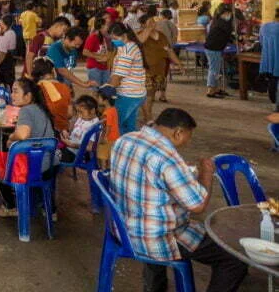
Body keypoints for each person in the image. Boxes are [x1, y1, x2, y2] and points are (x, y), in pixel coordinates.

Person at [111, 108, 248, 292]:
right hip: (155, 237)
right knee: (235, 259)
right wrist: (206, 174)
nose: (187, 142)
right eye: (188, 137)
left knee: (158, 209)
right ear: (178, 132)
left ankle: (154, 287)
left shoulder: (125, 139)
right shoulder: (166, 157)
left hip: (122, 227)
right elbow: (198, 205)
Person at [0, 77, 58, 218]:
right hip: (50, 165)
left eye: (16, 91)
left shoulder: (26, 111)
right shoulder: (41, 109)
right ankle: (50, 210)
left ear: (28, 96)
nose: (12, 95)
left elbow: (22, 134)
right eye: (12, 91)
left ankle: (12, 206)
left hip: (34, 168)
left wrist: (11, 138)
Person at [106, 22, 147, 135]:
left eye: (115, 38)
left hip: (128, 94)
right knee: (128, 126)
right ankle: (129, 147)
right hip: (134, 93)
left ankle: (117, 148)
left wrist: (106, 92)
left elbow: (118, 77)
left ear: (124, 35)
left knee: (114, 124)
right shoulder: (127, 46)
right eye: (112, 39)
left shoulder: (127, 51)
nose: (114, 41)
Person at [138, 14, 183, 117]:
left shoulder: (161, 35)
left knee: (152, 95)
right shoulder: (140, 34)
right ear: (143, 25)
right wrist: (148, 30)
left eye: (153, 21)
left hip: (159, 70)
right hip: (146, 70)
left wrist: (179, 63)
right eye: (150, 22)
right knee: (148, 95)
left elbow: (169, 51)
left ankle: (147, 115)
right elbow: (140, 41)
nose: (153, 24)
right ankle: (148, 117)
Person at [29, 57, 73, 134]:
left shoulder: (35, 88)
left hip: (41, 134)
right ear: (53, 71)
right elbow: (69, 114)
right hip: (63, 133)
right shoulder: (65, 87)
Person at [203, 3, 234, 98]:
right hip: (213, 48)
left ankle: (215, 88)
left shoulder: (218, 21)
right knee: (214, 70)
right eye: (226, 13)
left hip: (214, 47)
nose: (228, 15)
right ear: (221, 13)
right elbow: (230, 33)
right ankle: (210, 90)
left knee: (215, 69)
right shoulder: (222, 23)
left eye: (229, 13)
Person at [59, 95, 100, 163]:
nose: (79, 115)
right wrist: (66, 133)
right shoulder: (83, 118)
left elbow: (90, 147)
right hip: (69, 148)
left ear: (92, 111)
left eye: (81, 112)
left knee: (52, 157)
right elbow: (73, 132)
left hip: (77, 155)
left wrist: (72, 145)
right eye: (77, 111)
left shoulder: (95, 125)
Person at [83, 16, 112, 87]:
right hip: (95, 68)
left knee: (105, 89)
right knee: (95, 90)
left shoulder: (104, 37)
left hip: (104, 67)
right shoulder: (93, 37)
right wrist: (99, 57)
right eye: (106, 25)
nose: (108, 27)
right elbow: (85, 52)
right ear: (101, 26)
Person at [96, 88, 119, 168]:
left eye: (98, 97)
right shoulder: (113, 109)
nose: (97, 99)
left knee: (102, 154)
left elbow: (108, 126)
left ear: (105, 100)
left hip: (108, 137)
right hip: (115, 136)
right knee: (110, 155)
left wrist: (104, 137)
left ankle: (103, 170)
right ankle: (109, 170)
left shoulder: (107, 113)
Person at [0, 15, 17, 88]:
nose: (0, 23)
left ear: (4, 23)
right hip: (8, 59)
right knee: (7, 82)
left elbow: (2, 53)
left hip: (4, 61)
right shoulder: (10, 32)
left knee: (2, 82)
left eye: (1, 22)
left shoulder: (7, 34)